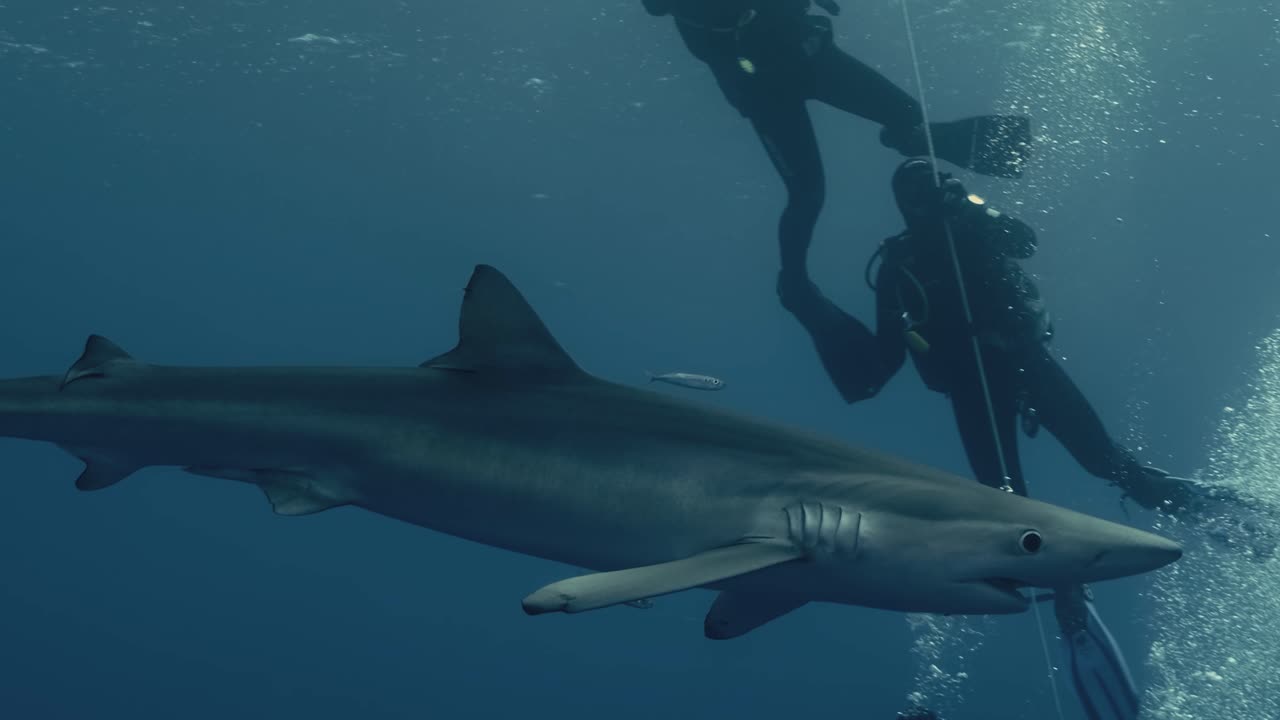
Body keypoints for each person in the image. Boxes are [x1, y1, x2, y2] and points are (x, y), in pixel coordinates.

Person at [639, 0, 1033, 369]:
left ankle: (933, 141)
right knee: (808, 193)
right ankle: (794, 283)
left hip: (809, 56)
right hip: (762, 88)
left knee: (912, 121)